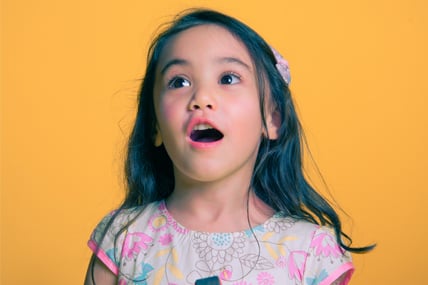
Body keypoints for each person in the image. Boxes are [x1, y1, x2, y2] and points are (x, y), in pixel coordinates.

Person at [84, 8, 373, 285]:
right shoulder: (123, 238)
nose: (202, 97)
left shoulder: (312, 253)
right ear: (155, 126)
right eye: (179, 81)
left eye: (228, 78)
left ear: (272, 119)